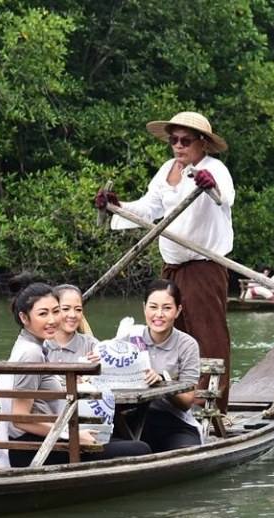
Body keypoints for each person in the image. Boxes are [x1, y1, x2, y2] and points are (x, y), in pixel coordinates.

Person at [97, 111, 234, 413]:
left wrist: (209, 185)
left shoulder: (215, 168)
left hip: (204, 265)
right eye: (174, 140)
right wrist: (116, 207)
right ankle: (175, 399)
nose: (179, 146)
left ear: (203, 143)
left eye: (186, 141)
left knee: (207, 334)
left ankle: (213, 407)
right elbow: (149, 208)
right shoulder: (167, 170)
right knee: (171, 332)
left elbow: (224, 197)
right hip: (172, 267)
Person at [0, 282, 151, 467]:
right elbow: (20, 419)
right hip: (34, 447)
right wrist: (73, 437)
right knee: (140, 449)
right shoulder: (32, 353)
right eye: (43, 314)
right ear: (24, 317)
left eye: (55, 311)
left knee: (118, 441)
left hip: (43, 439)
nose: (52, 320)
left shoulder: (26, 344)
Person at [136, 280, 202, 452]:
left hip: (175, 422)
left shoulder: (187, 345)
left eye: (166, 308)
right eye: (153, 307)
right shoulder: (130, 338)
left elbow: (187, 401)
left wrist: (161, 383)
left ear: (178, 311)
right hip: (133, 421)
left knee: (186, 455)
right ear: (144, 308)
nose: (159, 314)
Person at [46, 284, 99, 366]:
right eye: (66, 309)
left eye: (78, 309)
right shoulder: (39, 347)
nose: (73, 315)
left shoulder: (91, 345)